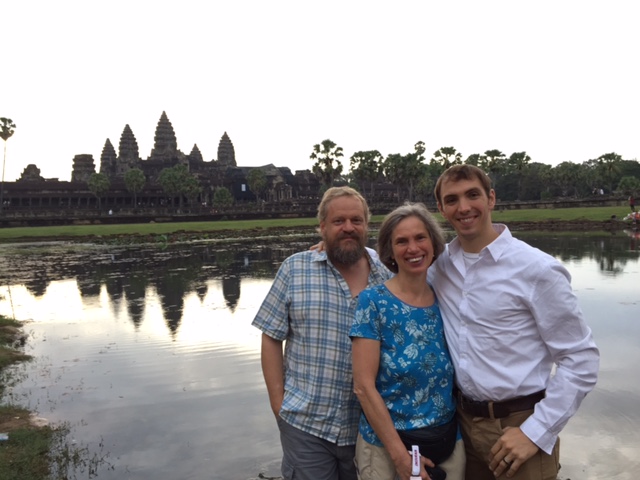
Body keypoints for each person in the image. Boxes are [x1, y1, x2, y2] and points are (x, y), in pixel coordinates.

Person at [431, 164, 600, 480]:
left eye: (472, 195)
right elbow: (395, 277)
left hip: (521, 423)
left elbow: (580, 359)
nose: (463, 207)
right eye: (452, 199)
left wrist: (536, 431)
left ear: (491, 198)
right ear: (441, 208)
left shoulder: (537, 270)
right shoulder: (440, 267)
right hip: (462, 426)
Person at [252, 186, 393, 480]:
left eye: (356, 220)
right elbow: (271, 336)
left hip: (368, 430)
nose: (348, 228)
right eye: (338, 221)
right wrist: (279, 406)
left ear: (367, 225)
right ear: (323, 226)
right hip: (306, 425)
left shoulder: (388, 277)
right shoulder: (296, 269)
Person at [350, 202, 465, 480]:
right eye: (402, 241)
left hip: (448, 442)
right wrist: (400, 456)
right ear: (389, 251)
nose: (413, 249)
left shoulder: (445, 297)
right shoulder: (373, 302)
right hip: (387, 450)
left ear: (434, 244)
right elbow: (364, 387)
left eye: (420, 238)